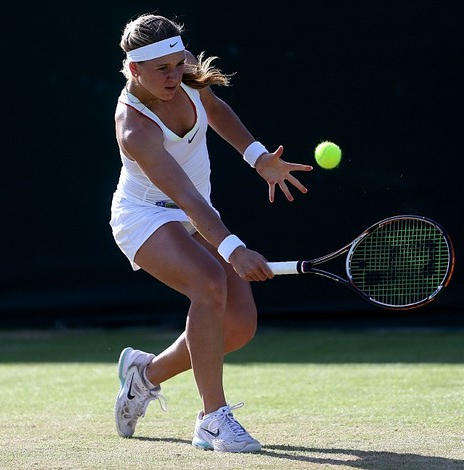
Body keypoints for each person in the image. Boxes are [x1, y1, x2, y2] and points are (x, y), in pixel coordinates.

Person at [110, 13, 312, 453]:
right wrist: (234, 248)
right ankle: (213, 420)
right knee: (209, 283)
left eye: (178, 63)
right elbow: (184, 195)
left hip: (195, 215)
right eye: (160, 69)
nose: (173, 76)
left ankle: (144, 376)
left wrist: (260, 159)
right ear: (134, 70)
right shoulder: (135, 128)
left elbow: (216, 111)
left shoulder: (188, 83)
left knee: (237, 327)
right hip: (145, 217)